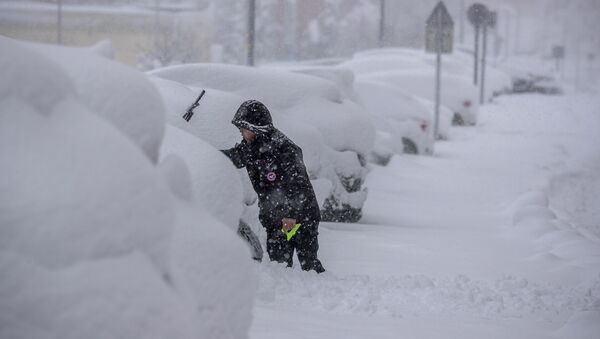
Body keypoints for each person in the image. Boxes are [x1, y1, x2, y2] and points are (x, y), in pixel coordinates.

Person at [221, 100, 325, 273]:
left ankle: (322, 289)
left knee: (308, 263)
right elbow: (233, 156)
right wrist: (205, 154)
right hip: (277, 216)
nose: (241, 132)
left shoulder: (284, 149)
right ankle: (292, 292)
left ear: (257, 128)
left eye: (244, 129)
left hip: (299, 217)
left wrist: (290, 215)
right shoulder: (251, 147)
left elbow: (296, 184)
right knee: (280, 262)